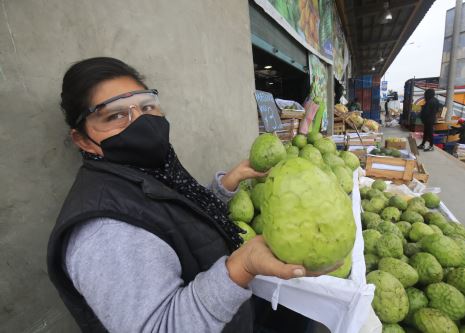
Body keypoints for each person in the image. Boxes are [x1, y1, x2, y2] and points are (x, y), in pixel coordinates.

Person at [47, 57, 340, 333]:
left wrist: (227, 184)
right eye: (116, 115)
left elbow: (174, 219)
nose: (140, 121)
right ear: (83, 140)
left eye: (147, 107)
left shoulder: (148, 169)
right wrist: (243, 266)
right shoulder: (104, 232)